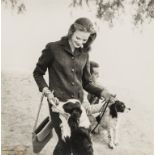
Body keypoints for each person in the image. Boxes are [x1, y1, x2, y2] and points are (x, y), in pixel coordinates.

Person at [33, 17, 114, 155]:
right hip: (58, 105)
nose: (81, 43)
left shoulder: (85, 54)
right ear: (71, 32)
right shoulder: (53, 48)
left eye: (85, 40)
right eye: (78, 38)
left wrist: (103, 93)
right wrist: (47, 92)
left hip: (78, 106)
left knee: (84, 144)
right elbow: (38, 73)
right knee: (65, 142)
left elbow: (87, 83)